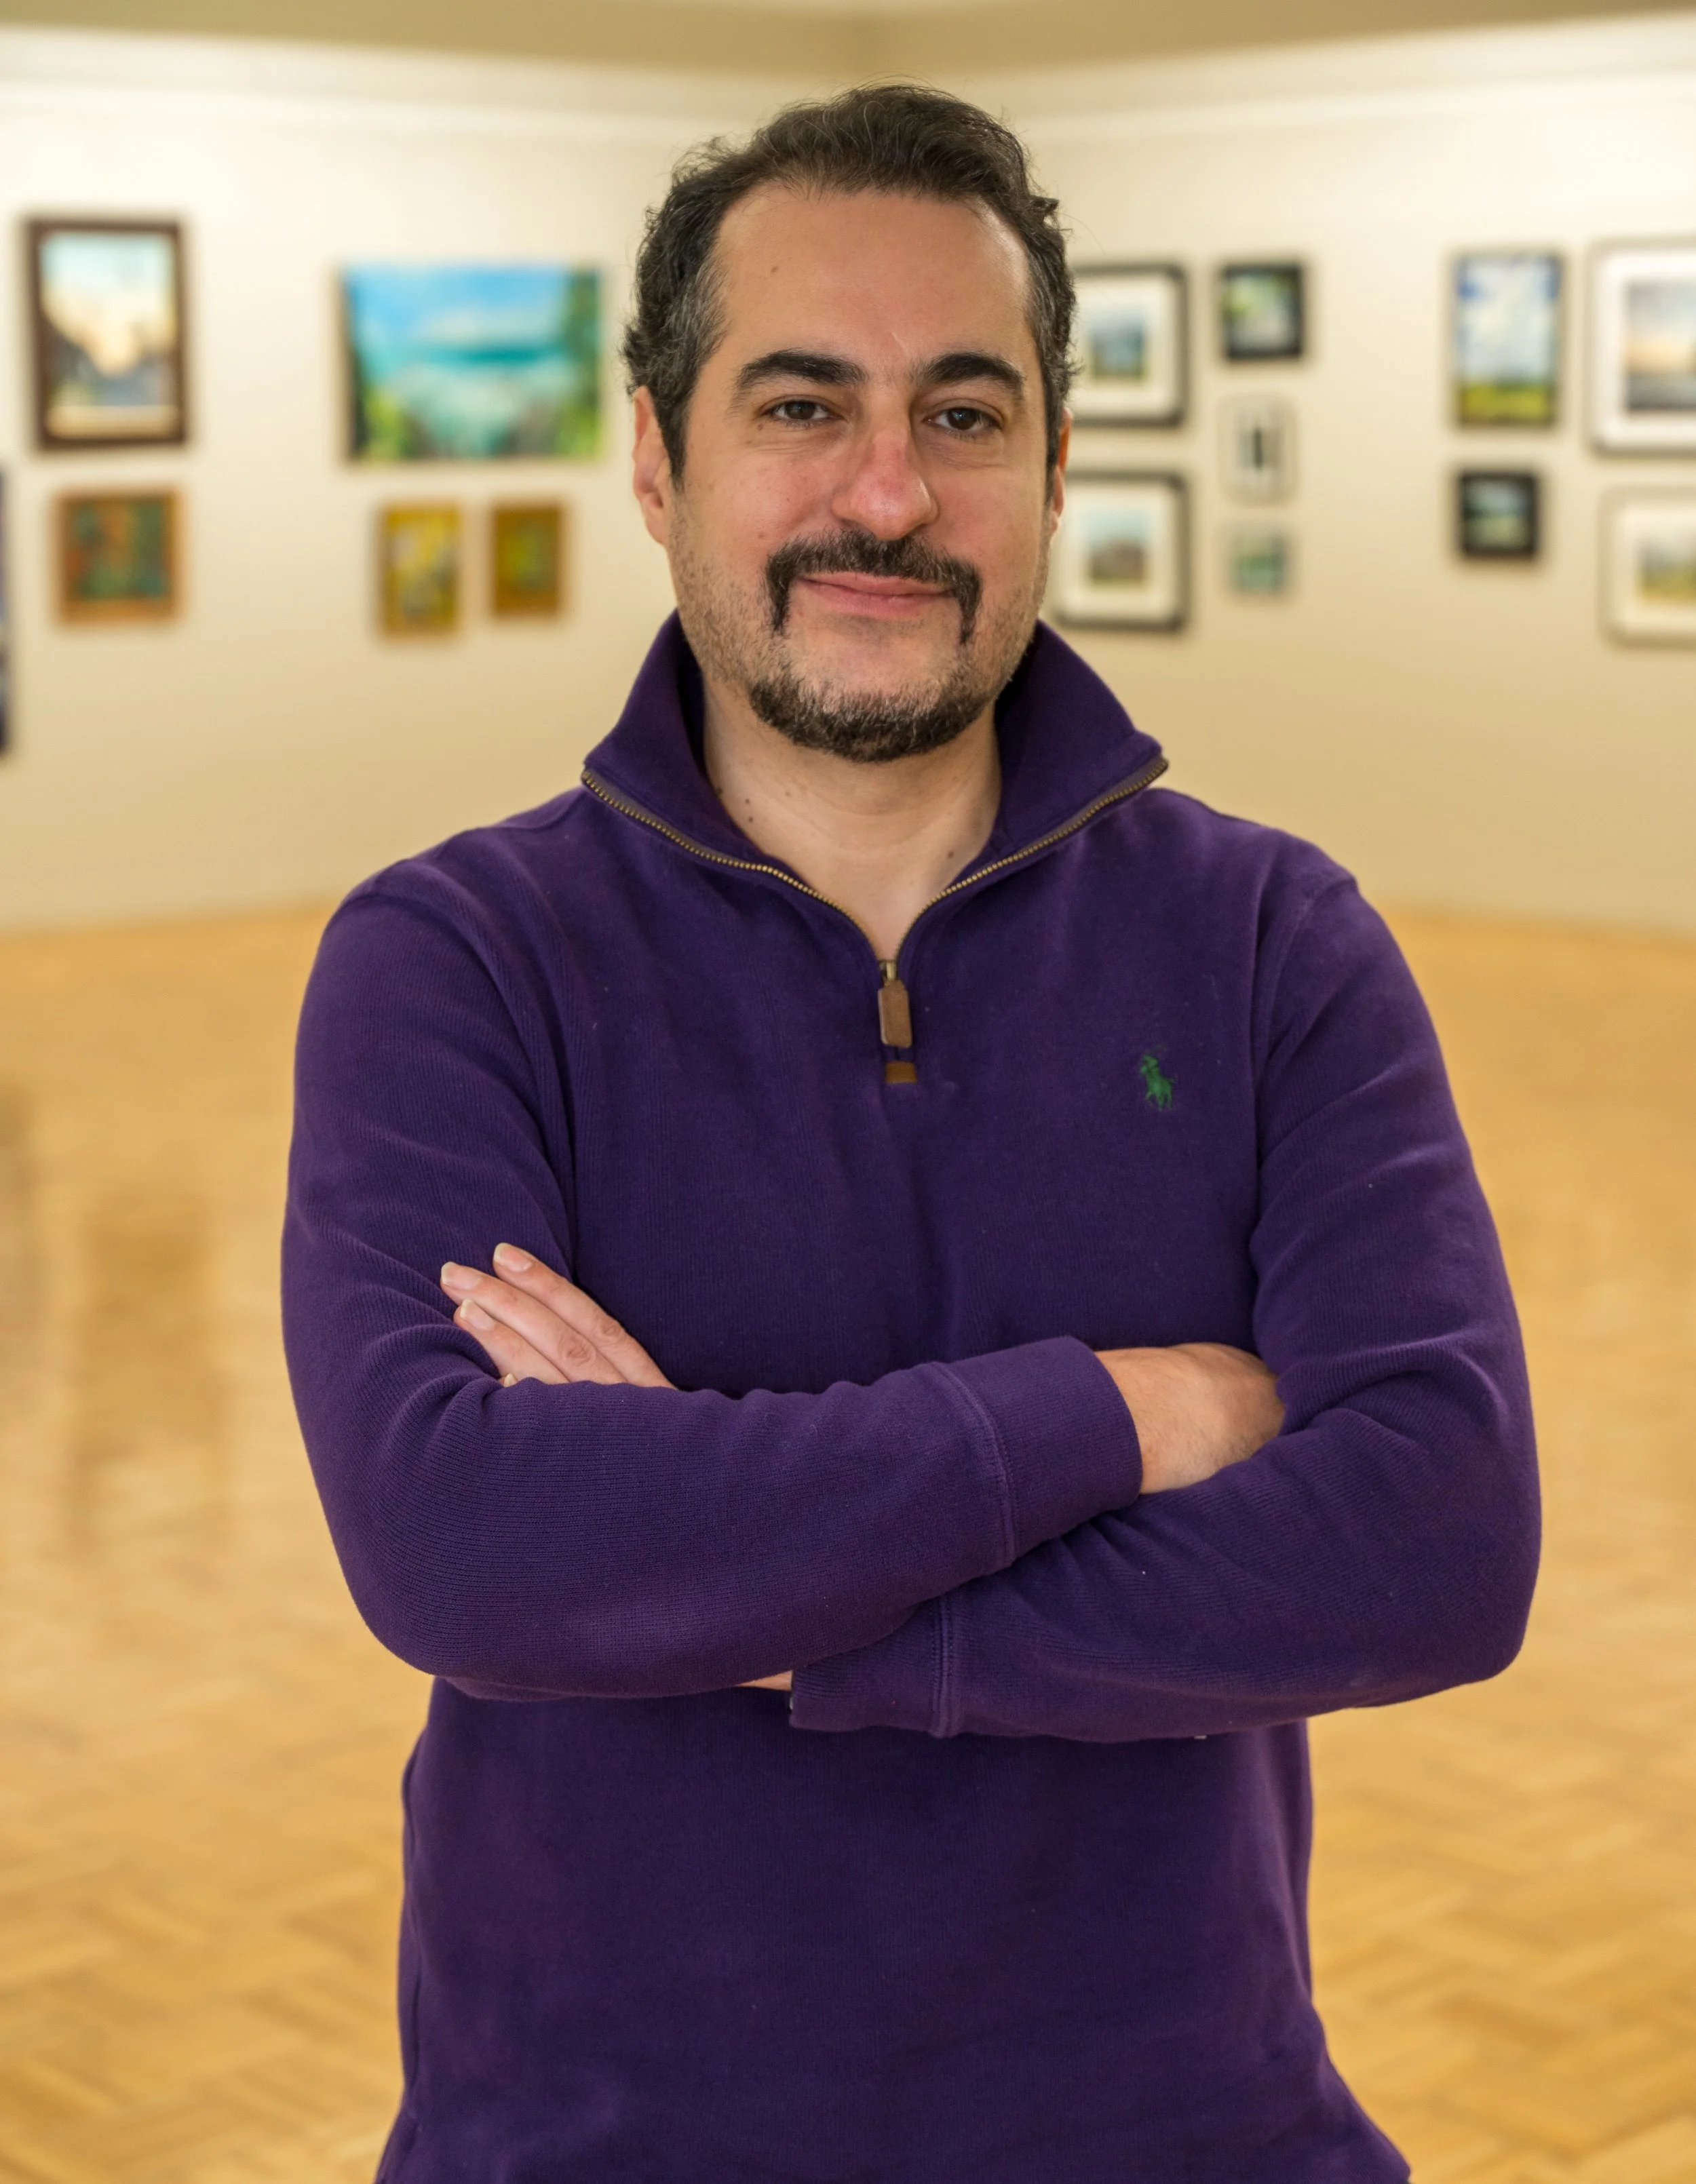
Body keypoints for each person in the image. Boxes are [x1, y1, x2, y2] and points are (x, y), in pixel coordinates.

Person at [283, 83, 1539, 2183]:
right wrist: (1128, 1411)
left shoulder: (1269, 942)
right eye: (801, 406)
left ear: (1052, 463)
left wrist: (757, 1597)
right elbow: (467, 1546)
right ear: (656, 457)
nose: (887, 490)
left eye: (962, 413)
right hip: (593, 2143)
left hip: (1191, 2135)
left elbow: (1432, 1544)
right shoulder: (454, 960)